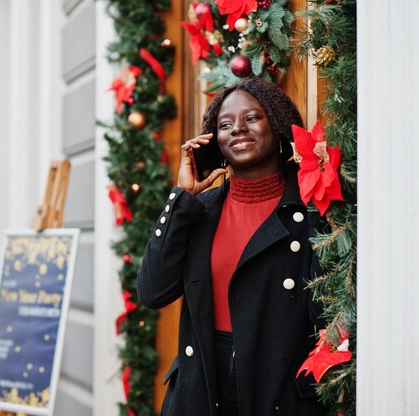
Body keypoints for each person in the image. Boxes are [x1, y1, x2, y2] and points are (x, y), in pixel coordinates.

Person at [137, 77, 324, 416]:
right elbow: (153, 291)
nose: (238, 129)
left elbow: (325, 314)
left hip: (275, 390)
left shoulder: (308, 210)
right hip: (201, 387)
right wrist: (180, 201)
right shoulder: (201, 210)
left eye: (252, 118)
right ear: (215, 140)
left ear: (278, 126)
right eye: (226, 124)